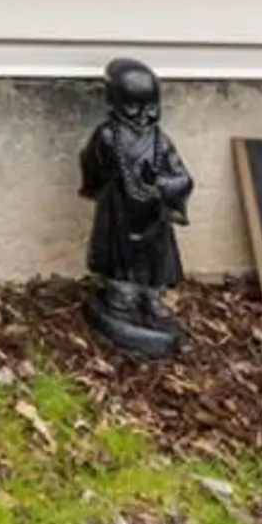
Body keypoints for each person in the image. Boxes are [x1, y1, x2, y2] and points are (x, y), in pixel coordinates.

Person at [78, 56, 191, 358]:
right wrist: (97, 182)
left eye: (150, 107)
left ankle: (152, 296)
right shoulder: (107, 136)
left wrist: (163, 187)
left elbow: (183, 177)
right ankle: (122, 293)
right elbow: (91, 164)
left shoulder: (160, 142)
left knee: (155, 258)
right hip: (119, 212)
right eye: (132, 107)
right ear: (114, 103)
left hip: (154, 215)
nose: (142, 116)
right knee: (120, 256)